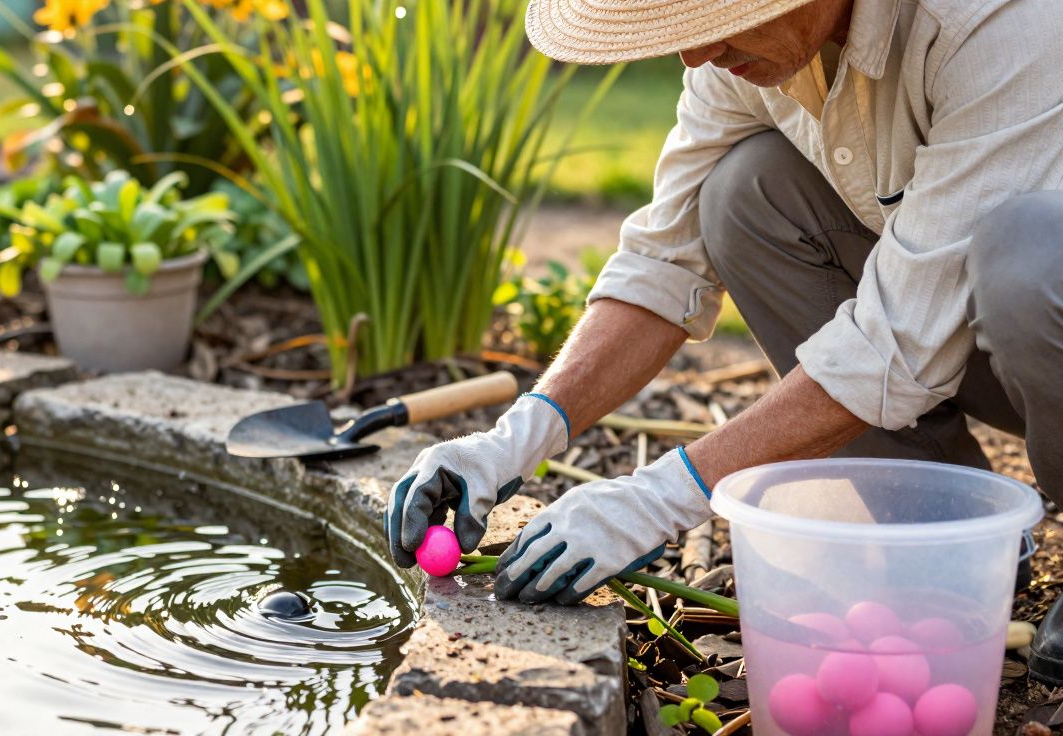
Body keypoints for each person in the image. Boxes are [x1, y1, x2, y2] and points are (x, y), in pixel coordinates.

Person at [382, 0, 1063, 683]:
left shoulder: (997, 22)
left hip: (1040, 319)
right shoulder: (742, 52)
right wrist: (515, 439)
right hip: (986, 343)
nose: (692, 55)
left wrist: (661, 497)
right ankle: (951, 539)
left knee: (1028, 256)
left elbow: (899, 343)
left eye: (713, 16)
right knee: (742, 193)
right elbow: (664, 261)